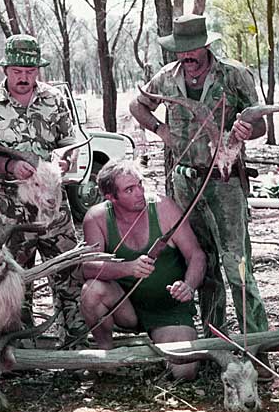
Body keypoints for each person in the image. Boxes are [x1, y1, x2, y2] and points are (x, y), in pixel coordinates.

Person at [129, 14, 271, 378]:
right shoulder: (168, 77)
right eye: (180, 50)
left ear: (207, 45)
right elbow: (137, 106)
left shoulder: (234, 74)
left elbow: (261, 123)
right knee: (201, 264)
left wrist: (245, 128)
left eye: (192, 49)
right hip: (185, 184)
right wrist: (161, 130)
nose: (187, 56)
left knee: (237, 267)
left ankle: (258, 350)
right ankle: (214, 347)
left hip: (225, 183)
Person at [0, 34, 86, 347]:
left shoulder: (54, 100)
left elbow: (69, 143)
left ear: (38, 69)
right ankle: (18, 347)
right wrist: (10, 168)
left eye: (30, 71)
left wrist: (63, 162)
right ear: (6, 69)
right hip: (11, 211)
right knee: (14, 277)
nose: (24, 78)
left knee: (68, 271)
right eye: (17, 71)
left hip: (54, 209)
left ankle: (74, 343)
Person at [80, 159, 205, 379]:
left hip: (169, 310)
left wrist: (189, 286)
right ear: (111, 197)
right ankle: (106, 356)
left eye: (140, 184)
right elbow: (88, 268)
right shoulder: (97, 217)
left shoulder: (163, 207)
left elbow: (196, 255)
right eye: (129, 189)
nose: (140, 192)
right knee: (92, 291)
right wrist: (128, 268)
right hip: (127, 308)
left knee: (184, 372)